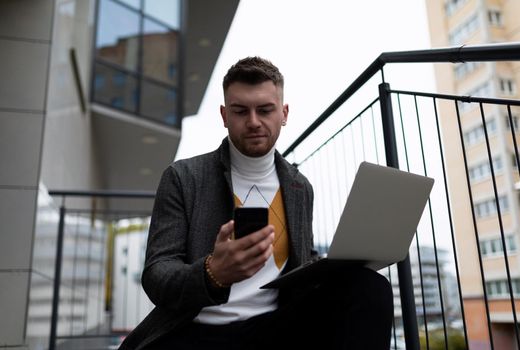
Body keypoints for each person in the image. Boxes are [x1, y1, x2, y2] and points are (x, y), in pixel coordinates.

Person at [119, 57, 393, 350]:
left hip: (271, 327)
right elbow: (157, 273)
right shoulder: (183, 177)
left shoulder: (300, 187)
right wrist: (212, 274)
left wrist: (337, 266)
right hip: (196, 329)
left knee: (370, 286)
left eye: (265, 110)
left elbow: (303, 261)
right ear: (224, 115)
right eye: (240, 111)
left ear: (284, 113)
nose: (253, 122)